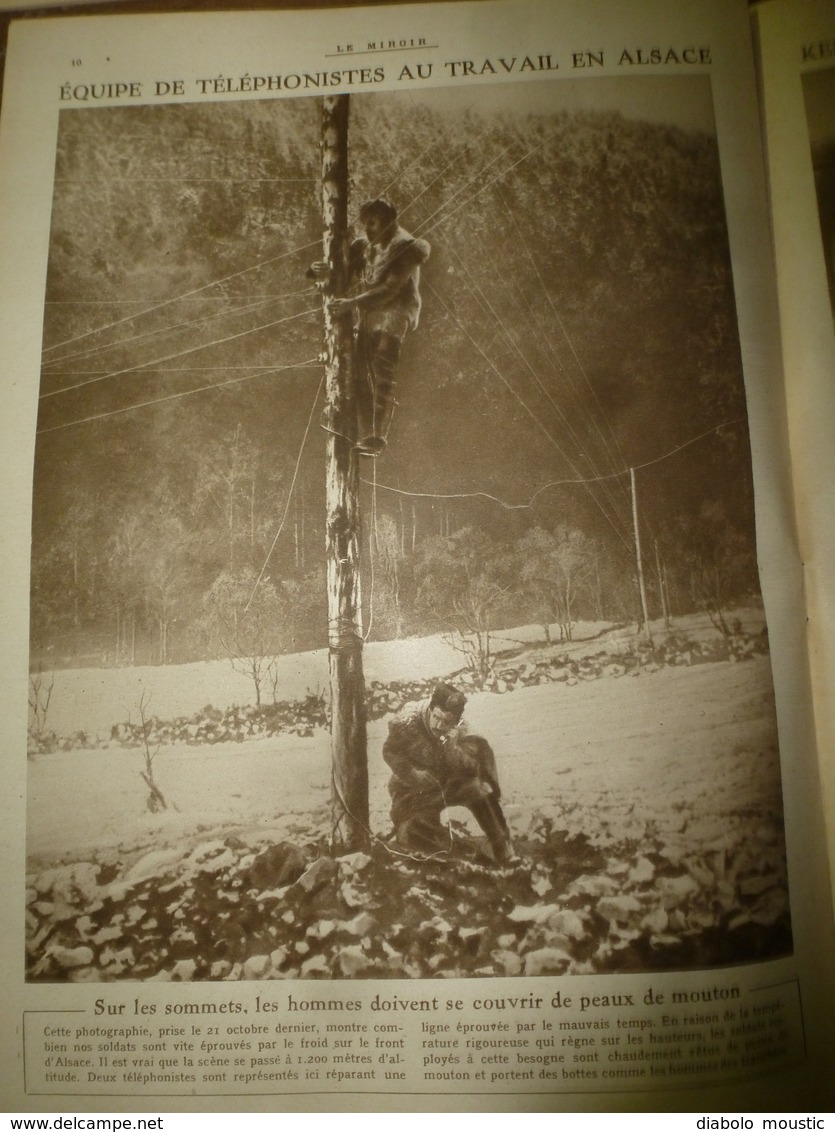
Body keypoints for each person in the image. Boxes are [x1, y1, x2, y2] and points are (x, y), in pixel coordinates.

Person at [308, 198, 430, 456]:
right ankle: (365, 434)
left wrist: (351, 303)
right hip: (369, 312)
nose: (368, 229)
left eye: (373, 223)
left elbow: (390, 289)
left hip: (395, 312)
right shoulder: (364, 245)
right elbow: (342, 270)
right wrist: (317, 271)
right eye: (365, 224)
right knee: (360, 370)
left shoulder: (407, 247)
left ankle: (377, 437)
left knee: (382, 368)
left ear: (389, 222)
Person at [382, 681, 516, 863]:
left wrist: (453, 749)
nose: (438, 725)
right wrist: (414, 774)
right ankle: (464, 855)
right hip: (412, 793)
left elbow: (473, 769)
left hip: (445, 786)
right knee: (412, 834)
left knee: (479, 790)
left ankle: (503, 849)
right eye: (436, 717)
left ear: (455, 722)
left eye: (446, 722)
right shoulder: (407, 724)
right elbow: (390, 751)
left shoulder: (461, 732)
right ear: (430, 709)